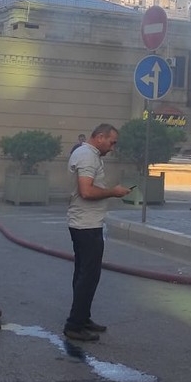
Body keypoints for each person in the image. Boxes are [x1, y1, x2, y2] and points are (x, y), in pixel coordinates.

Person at [64, 123, 132, 341]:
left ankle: (83, 318)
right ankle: (74, 325)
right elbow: (86, 191)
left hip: (87, 223)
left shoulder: (88, 154)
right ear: (100, 137)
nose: (112, 148)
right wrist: (113, 192)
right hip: (86, 225)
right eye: (112, 142)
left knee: (84, 274)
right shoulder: (87, 156)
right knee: (88, 276)